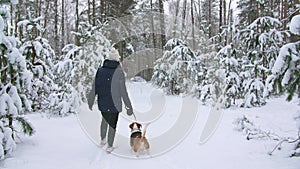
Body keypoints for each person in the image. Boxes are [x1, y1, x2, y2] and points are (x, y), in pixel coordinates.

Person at [88, 47, 133, 153]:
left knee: (104, 121)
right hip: (115, 104)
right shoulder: (119, 72)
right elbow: (123, 92)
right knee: (112, 124)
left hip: (103, 103)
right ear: (117, 59)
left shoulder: (100, 71)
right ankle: (109, 145)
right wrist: (128, 106)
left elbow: (95, 87)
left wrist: (91, 100)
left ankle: (103, 140)